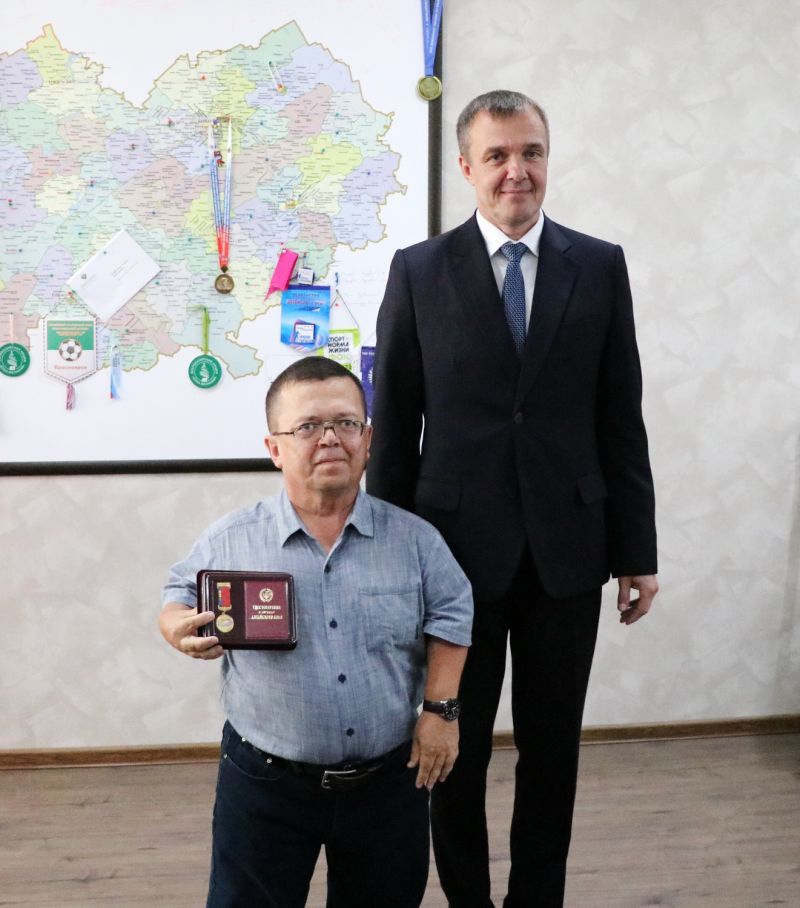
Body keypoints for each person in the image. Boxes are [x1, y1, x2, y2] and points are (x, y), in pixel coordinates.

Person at [366, 90, 658, 908]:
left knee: (553, 750)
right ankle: (467, 899)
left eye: (530, 152)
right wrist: (387, 558)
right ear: (467, 167)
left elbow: (620, 416)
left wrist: (636, 552)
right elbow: (396, 427)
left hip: (569, 550)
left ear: (546, 159)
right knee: (451, 746)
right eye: (497, 156)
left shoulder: (598, 265)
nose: (515, 171)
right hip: (452, 556)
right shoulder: (419, 271)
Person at [160, 357, 472, 908]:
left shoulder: (416, 541)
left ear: (367, 440)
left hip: (388, 785)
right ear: (275, 448)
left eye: (346, 423)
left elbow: (452, 612)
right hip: (264, 785)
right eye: (307, 426)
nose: (329, 438)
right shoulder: (231, 539)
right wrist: (177, 630)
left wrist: (441, 712)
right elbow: (176, 596)